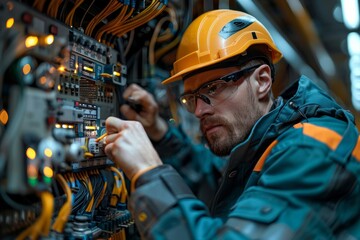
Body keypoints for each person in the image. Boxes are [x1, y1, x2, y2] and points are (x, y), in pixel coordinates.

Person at [104, 9, 360, 239]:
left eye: (212, 88)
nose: (198, 110)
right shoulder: (266, 144)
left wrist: (149, 173)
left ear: (262, 81)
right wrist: (159, 132)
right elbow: (217, 181)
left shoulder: (313, 149)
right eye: (191, 98)